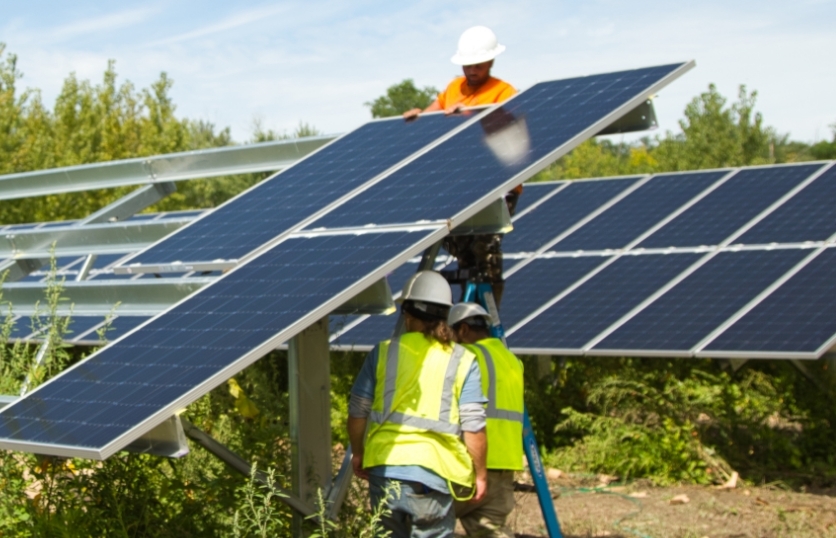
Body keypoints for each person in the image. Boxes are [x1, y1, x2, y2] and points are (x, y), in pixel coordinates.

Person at [348, 271, 488, 537]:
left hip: (385, 469)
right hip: (435, 476)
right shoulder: (463, 360)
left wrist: (358, 452)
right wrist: (480, 474)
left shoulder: (384, 352)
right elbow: (474, 427)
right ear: (446, 315)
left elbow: (358, 412)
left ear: (408, 315)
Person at [403, 26, 522, 307]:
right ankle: (466, 310)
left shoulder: (503, 92)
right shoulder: (454, 87)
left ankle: (485, 313)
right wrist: (418, 116)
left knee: (485, 250)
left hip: (497, 187)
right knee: (452, 242)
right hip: (462, 183)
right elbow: (432, 115)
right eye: (467, 65)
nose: (472, 70)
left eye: (478, 65)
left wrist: (469, 117)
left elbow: (507, 131)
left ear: (491, 62)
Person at [448, 302, 524, 538]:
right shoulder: (513, 360)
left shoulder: (466, 356)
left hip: (470, 462)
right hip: (505, 466)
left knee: (424, 524)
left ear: (462, 330)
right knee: (491, 532)